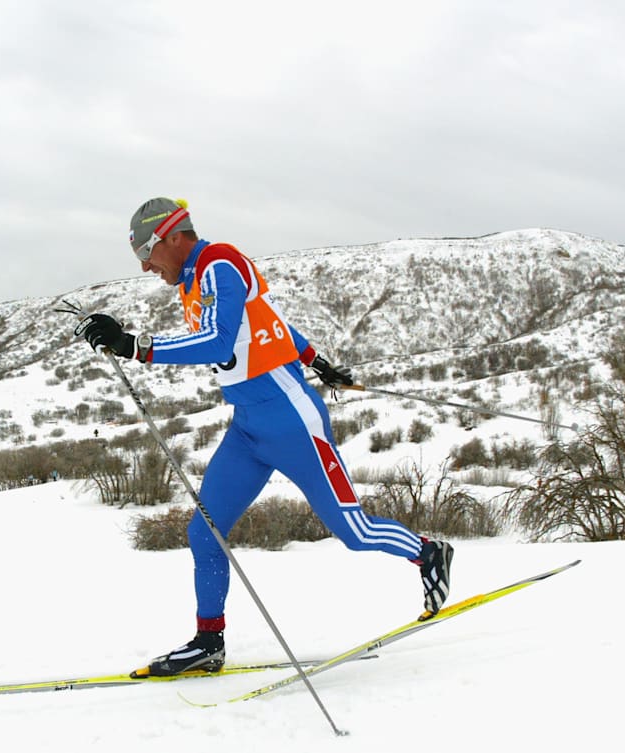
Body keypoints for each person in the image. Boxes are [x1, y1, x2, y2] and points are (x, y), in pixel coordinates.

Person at [75, 197, 453, 678]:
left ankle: (429, 553)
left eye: (147, 252)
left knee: (353, 532)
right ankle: (208, 642)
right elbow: (270, 324)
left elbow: (216, 341)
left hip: (294, 421)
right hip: (250, 427)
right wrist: (317, 360)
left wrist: (136, 346)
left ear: (174, 236)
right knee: (204, 533)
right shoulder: (193, 281)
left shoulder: (218, 263)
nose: (146, 266)